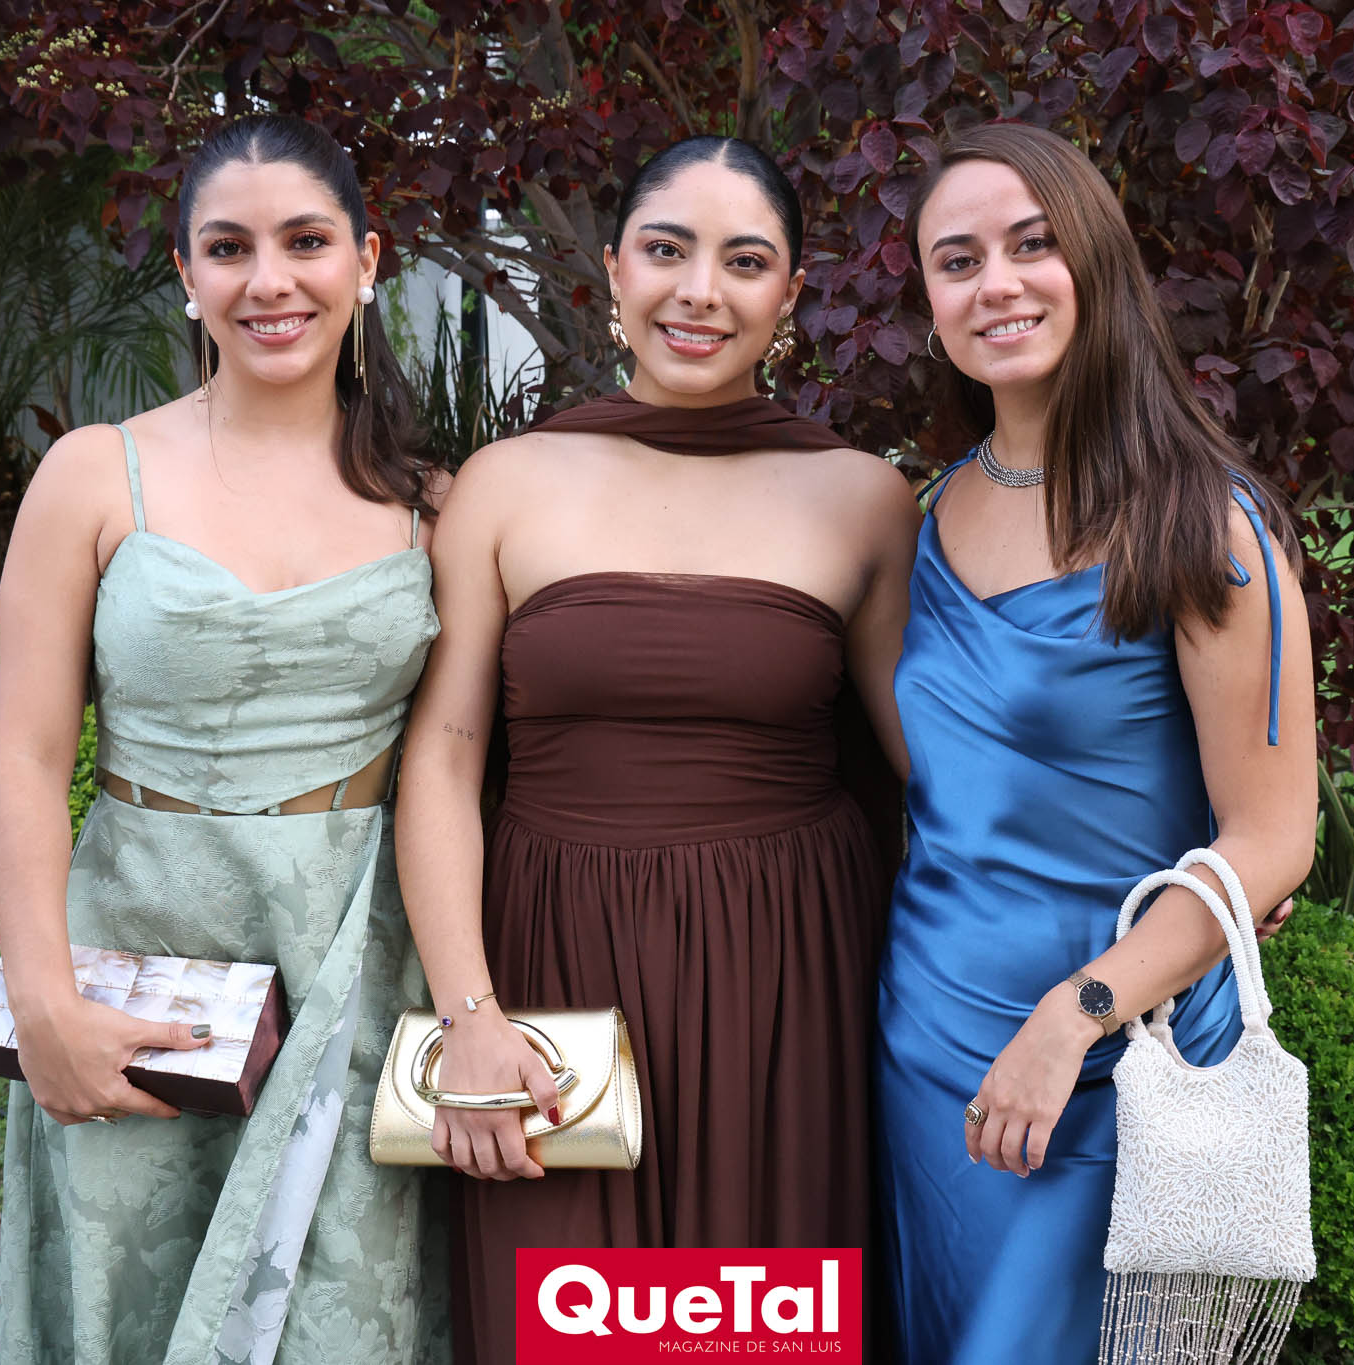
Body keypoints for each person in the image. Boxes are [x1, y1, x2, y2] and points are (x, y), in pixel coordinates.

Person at [394, 134, 919, 1364]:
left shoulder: (862, 498)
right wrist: (468, 1014)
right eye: (667, 250)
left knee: (765, 1331)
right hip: (550, 966)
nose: (700, 292)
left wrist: (1162, 857)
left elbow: (929, 768)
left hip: (784, 982)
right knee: (565, 1333)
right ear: (616, 270)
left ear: (789, 295)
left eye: (744, 262)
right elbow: (443, 759)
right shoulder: (506, 484)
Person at [0, 114, 448, 1364]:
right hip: (136, 962)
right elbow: (24, 756)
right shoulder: (94, 474)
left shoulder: (433, 507)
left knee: (336, 1311)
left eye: (305, 241)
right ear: (187, 273)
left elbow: (456, 767)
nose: (269, 280)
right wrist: (43, 1001)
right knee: (130, 1302)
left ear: (366, 260)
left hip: (351, 965)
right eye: (229, 248)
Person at [873, 122, 1317, 1363]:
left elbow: (1273, 837)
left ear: (1094, 261)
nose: (995, 284)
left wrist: (1074, 1017)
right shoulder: (932, 510)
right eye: (956, 261)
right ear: (929, 301)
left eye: (1031, 245)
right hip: (928, 1042)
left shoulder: (1201, 523)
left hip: (1118, 1053)